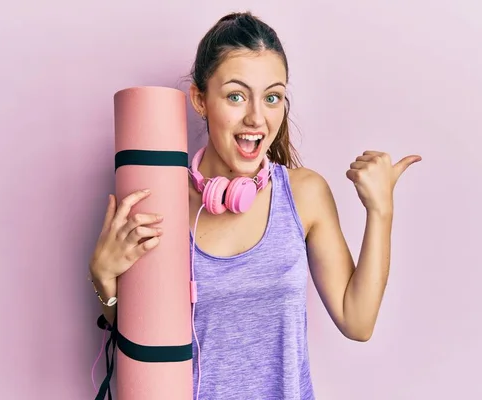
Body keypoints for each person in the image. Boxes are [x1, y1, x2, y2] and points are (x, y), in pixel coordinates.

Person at [88, 11, 421, 400]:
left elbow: (358, 321)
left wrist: (381, 210)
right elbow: (145, 341)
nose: (256, 118)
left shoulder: (304, 194)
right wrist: (103, 279)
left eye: (272, 97)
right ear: (200, 99)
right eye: (235, 95)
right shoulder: (163, 202)